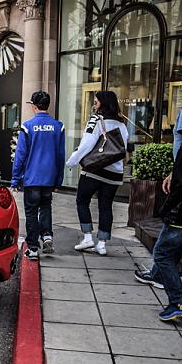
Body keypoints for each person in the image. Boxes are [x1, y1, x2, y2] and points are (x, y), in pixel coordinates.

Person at [66, 91, 129, 256]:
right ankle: (101, 244)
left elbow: (86, 145)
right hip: (115, 173)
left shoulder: (96, 120)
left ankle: (87, 238)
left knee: (82, 200)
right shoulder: (122, 124)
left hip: (94, 169)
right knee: (106, 206)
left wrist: (71, 161)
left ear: (102, 104)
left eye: (95, 102)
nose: (94, 105)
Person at [11, 90, 66, 260]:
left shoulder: (27, 127)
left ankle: (33, 248)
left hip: (32, 178)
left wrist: (15, 178)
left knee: (31, 212)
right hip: (49, 178)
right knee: (45, 207)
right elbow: (60, 156)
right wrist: (58, 179)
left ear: (34, 106)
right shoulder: (59, 126)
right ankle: (47, 235)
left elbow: (20, 155)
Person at [134, 146, 182, 320]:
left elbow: (180, 186)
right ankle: (157, 276)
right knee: (172, 253)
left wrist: (166, 209)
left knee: (162, 254)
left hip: (180, 215)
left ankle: (178, 301)